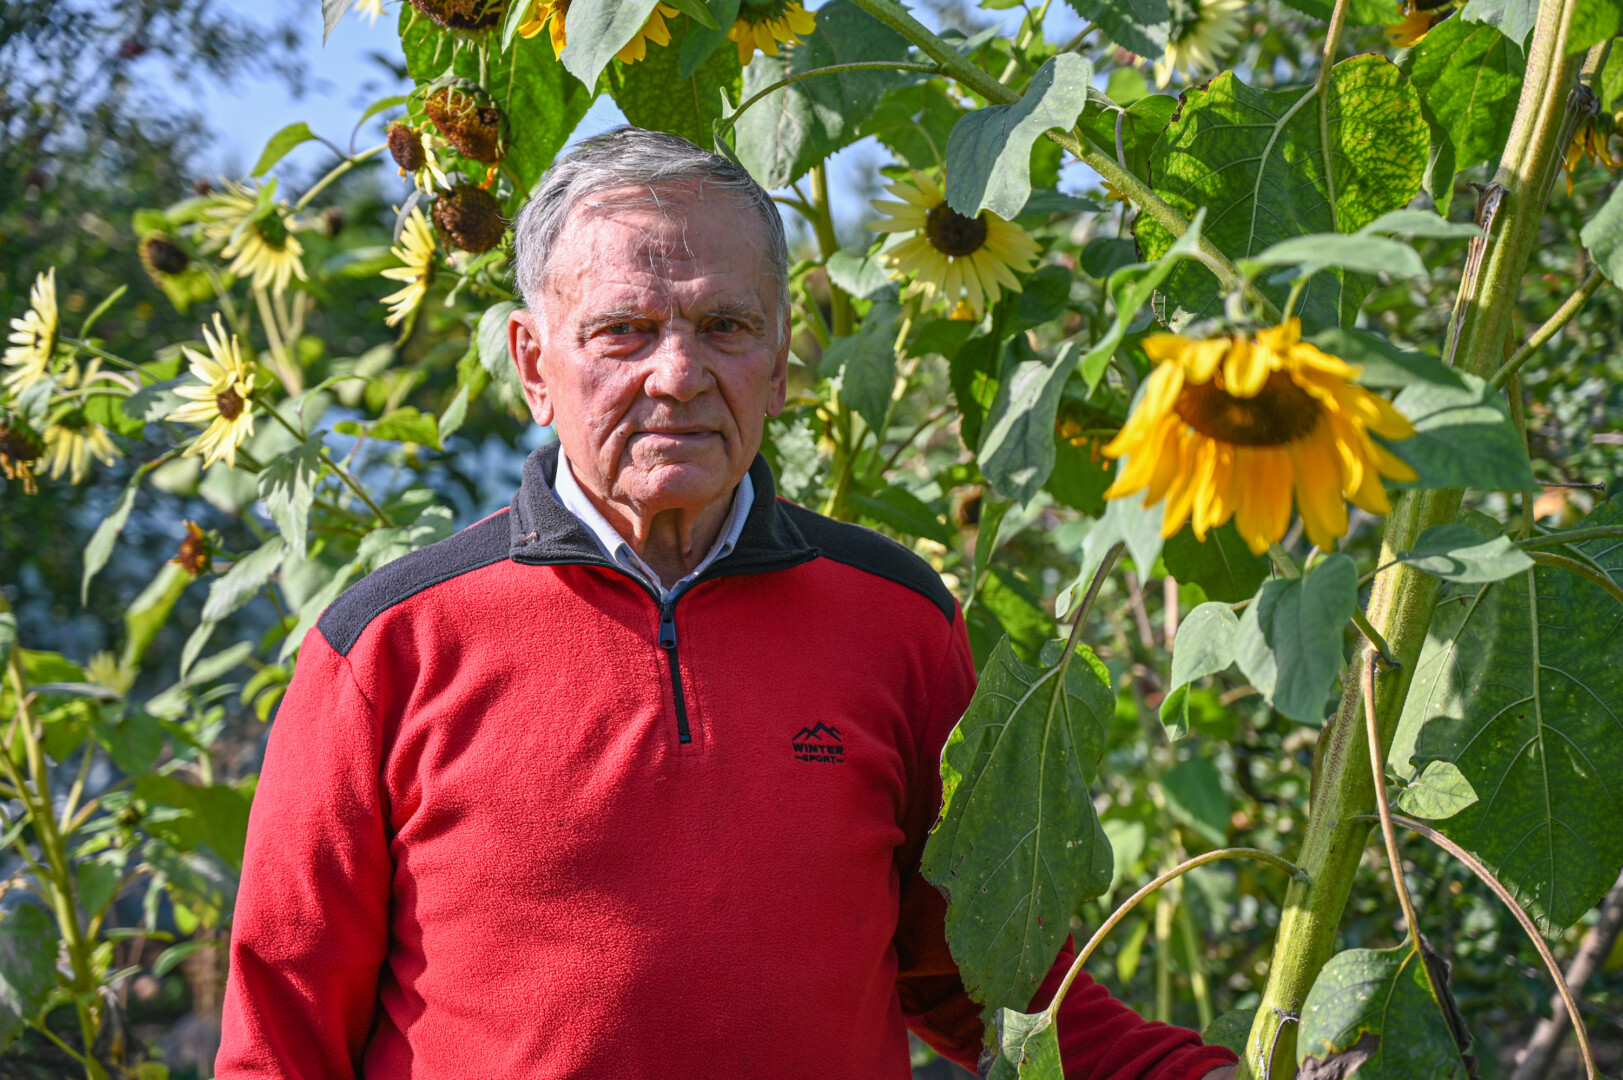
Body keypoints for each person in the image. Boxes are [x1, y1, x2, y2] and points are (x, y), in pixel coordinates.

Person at [216, 127, 1240, 1080]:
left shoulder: (895, 620)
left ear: (782, 357)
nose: (679, 375)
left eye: (724, 325)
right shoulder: (392, 642)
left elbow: (994, 985)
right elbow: (279, 1035)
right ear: (534, 363)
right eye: (623, 331)